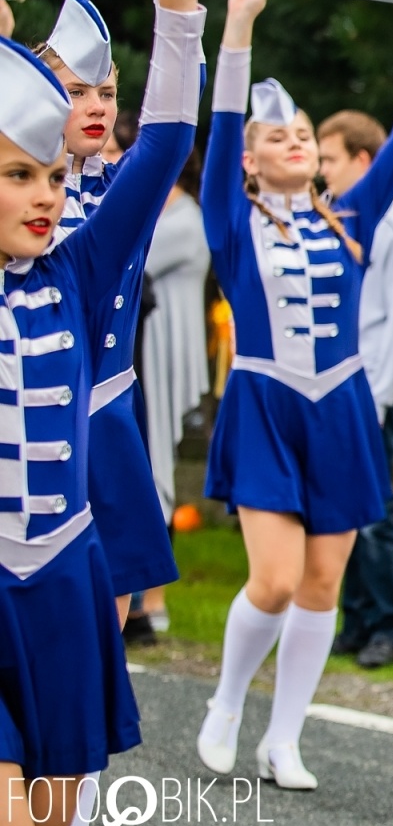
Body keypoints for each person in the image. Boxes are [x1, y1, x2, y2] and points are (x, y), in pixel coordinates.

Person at [196, 0, 393, 789]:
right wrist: (239, 26)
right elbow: (219, 127)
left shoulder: (352, 216)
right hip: (265, 402)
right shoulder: (232, 220)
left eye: (305, 139)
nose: (295, 144)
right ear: (251, 162)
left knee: (323, 582)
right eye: (277, 139)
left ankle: (284, 737)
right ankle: (225, 700)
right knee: (276, 579)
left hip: (341, 406)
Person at [0, 0, 203, 826]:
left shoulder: (76, 272)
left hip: (63, 569)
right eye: (17, 175)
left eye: (51, 178)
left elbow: (163, 144)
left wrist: (178, 1)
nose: (47, 196)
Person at [34, 0, 180, 626]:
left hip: (107, 416)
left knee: (103, 642)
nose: (96, 107)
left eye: (107, 93)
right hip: (25, 417)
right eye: (74, 91)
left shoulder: (121, 190)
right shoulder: (14, 197)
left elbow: (168, 139)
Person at [319, 111, 393, 670]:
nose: (321, 170)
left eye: (330, 159)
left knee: (376, 516)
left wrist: (380, 397)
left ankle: (387, 624)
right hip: (332, 390)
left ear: (364, 161)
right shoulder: (329, 216)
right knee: (340, 511)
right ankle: (355, 617)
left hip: (371, 392)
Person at [139, 147, 211, 635]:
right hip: (143, 345)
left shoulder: (184, 220)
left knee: (156, 466)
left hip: (160, 351)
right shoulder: (166, 213)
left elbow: (131, 254)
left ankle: (153, 601)